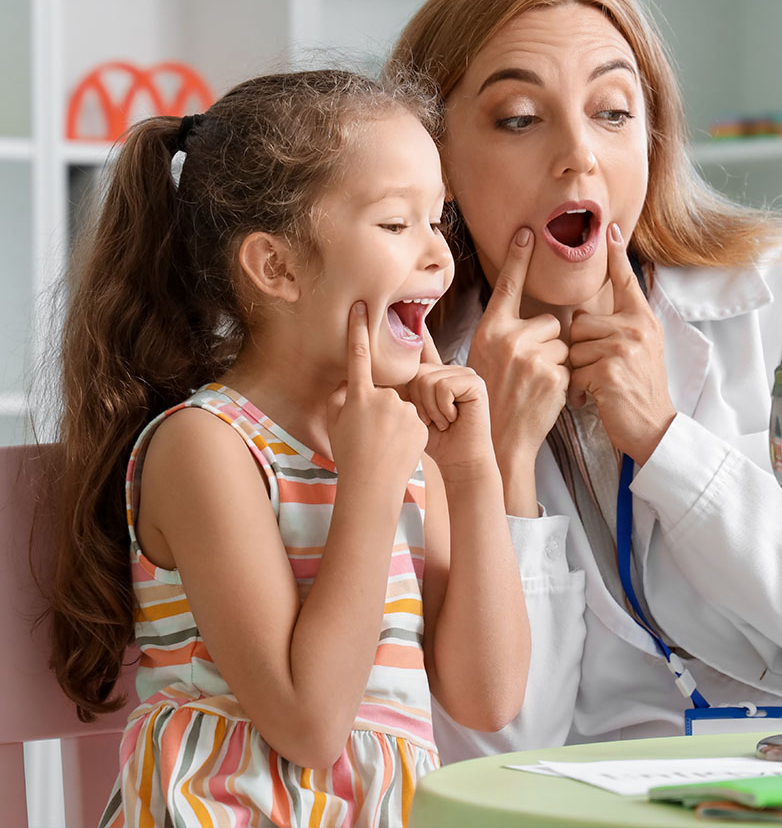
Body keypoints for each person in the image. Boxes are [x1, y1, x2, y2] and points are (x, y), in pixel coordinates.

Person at [384, 0, 782, 761]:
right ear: (435, 161)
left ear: (652, 139)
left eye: (613, 112)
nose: (578, 154)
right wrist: (499, 469)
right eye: (519, 117)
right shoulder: (415, 387)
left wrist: (665, 441)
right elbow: (500, 756)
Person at [45, 69, 530, 826]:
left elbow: (489, 697)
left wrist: (470, 472)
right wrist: (368, 489)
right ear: (278, 267)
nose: (439, 256)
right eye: (397, 224)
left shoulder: (401, 450)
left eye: (440, 221)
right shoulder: (207, 448)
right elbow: (307, 726)